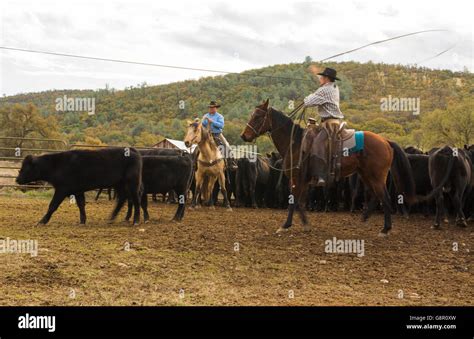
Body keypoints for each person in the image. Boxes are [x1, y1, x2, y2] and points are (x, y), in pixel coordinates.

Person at [303, 67, 344, 187]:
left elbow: (308, 102)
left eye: (322, 77)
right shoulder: (333, 87)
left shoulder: (325, 89)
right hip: (331, 121)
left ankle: (321, 175)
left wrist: (308, 96)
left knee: (317, 143)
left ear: (326, 79)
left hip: (329, 123)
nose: (320, 79)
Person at [201, 101, 237, 169]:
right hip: (207, 134)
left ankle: (231, 163)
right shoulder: (205, 116)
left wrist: (212, 122)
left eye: (213, 107)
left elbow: (221, 126)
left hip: (217, 134)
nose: (211, 109)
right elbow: (203, 125)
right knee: (198, 146)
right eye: (210, 107)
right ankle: (194, 162)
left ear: (216, 108)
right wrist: (202, 123)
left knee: (226, 145)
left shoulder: (220, 116)